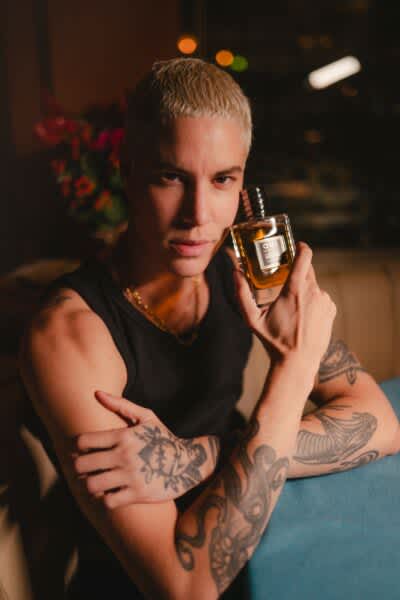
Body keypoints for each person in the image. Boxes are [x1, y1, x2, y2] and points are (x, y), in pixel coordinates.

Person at [19, 58, 400, 600]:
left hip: (266, 532)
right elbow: (188, 588)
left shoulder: (239, 270)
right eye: (171, 177)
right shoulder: (70, 335)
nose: (198, 215)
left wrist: (192, 457)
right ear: (127, 170)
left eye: (222, 179)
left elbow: (381, 424)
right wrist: (293, 369)